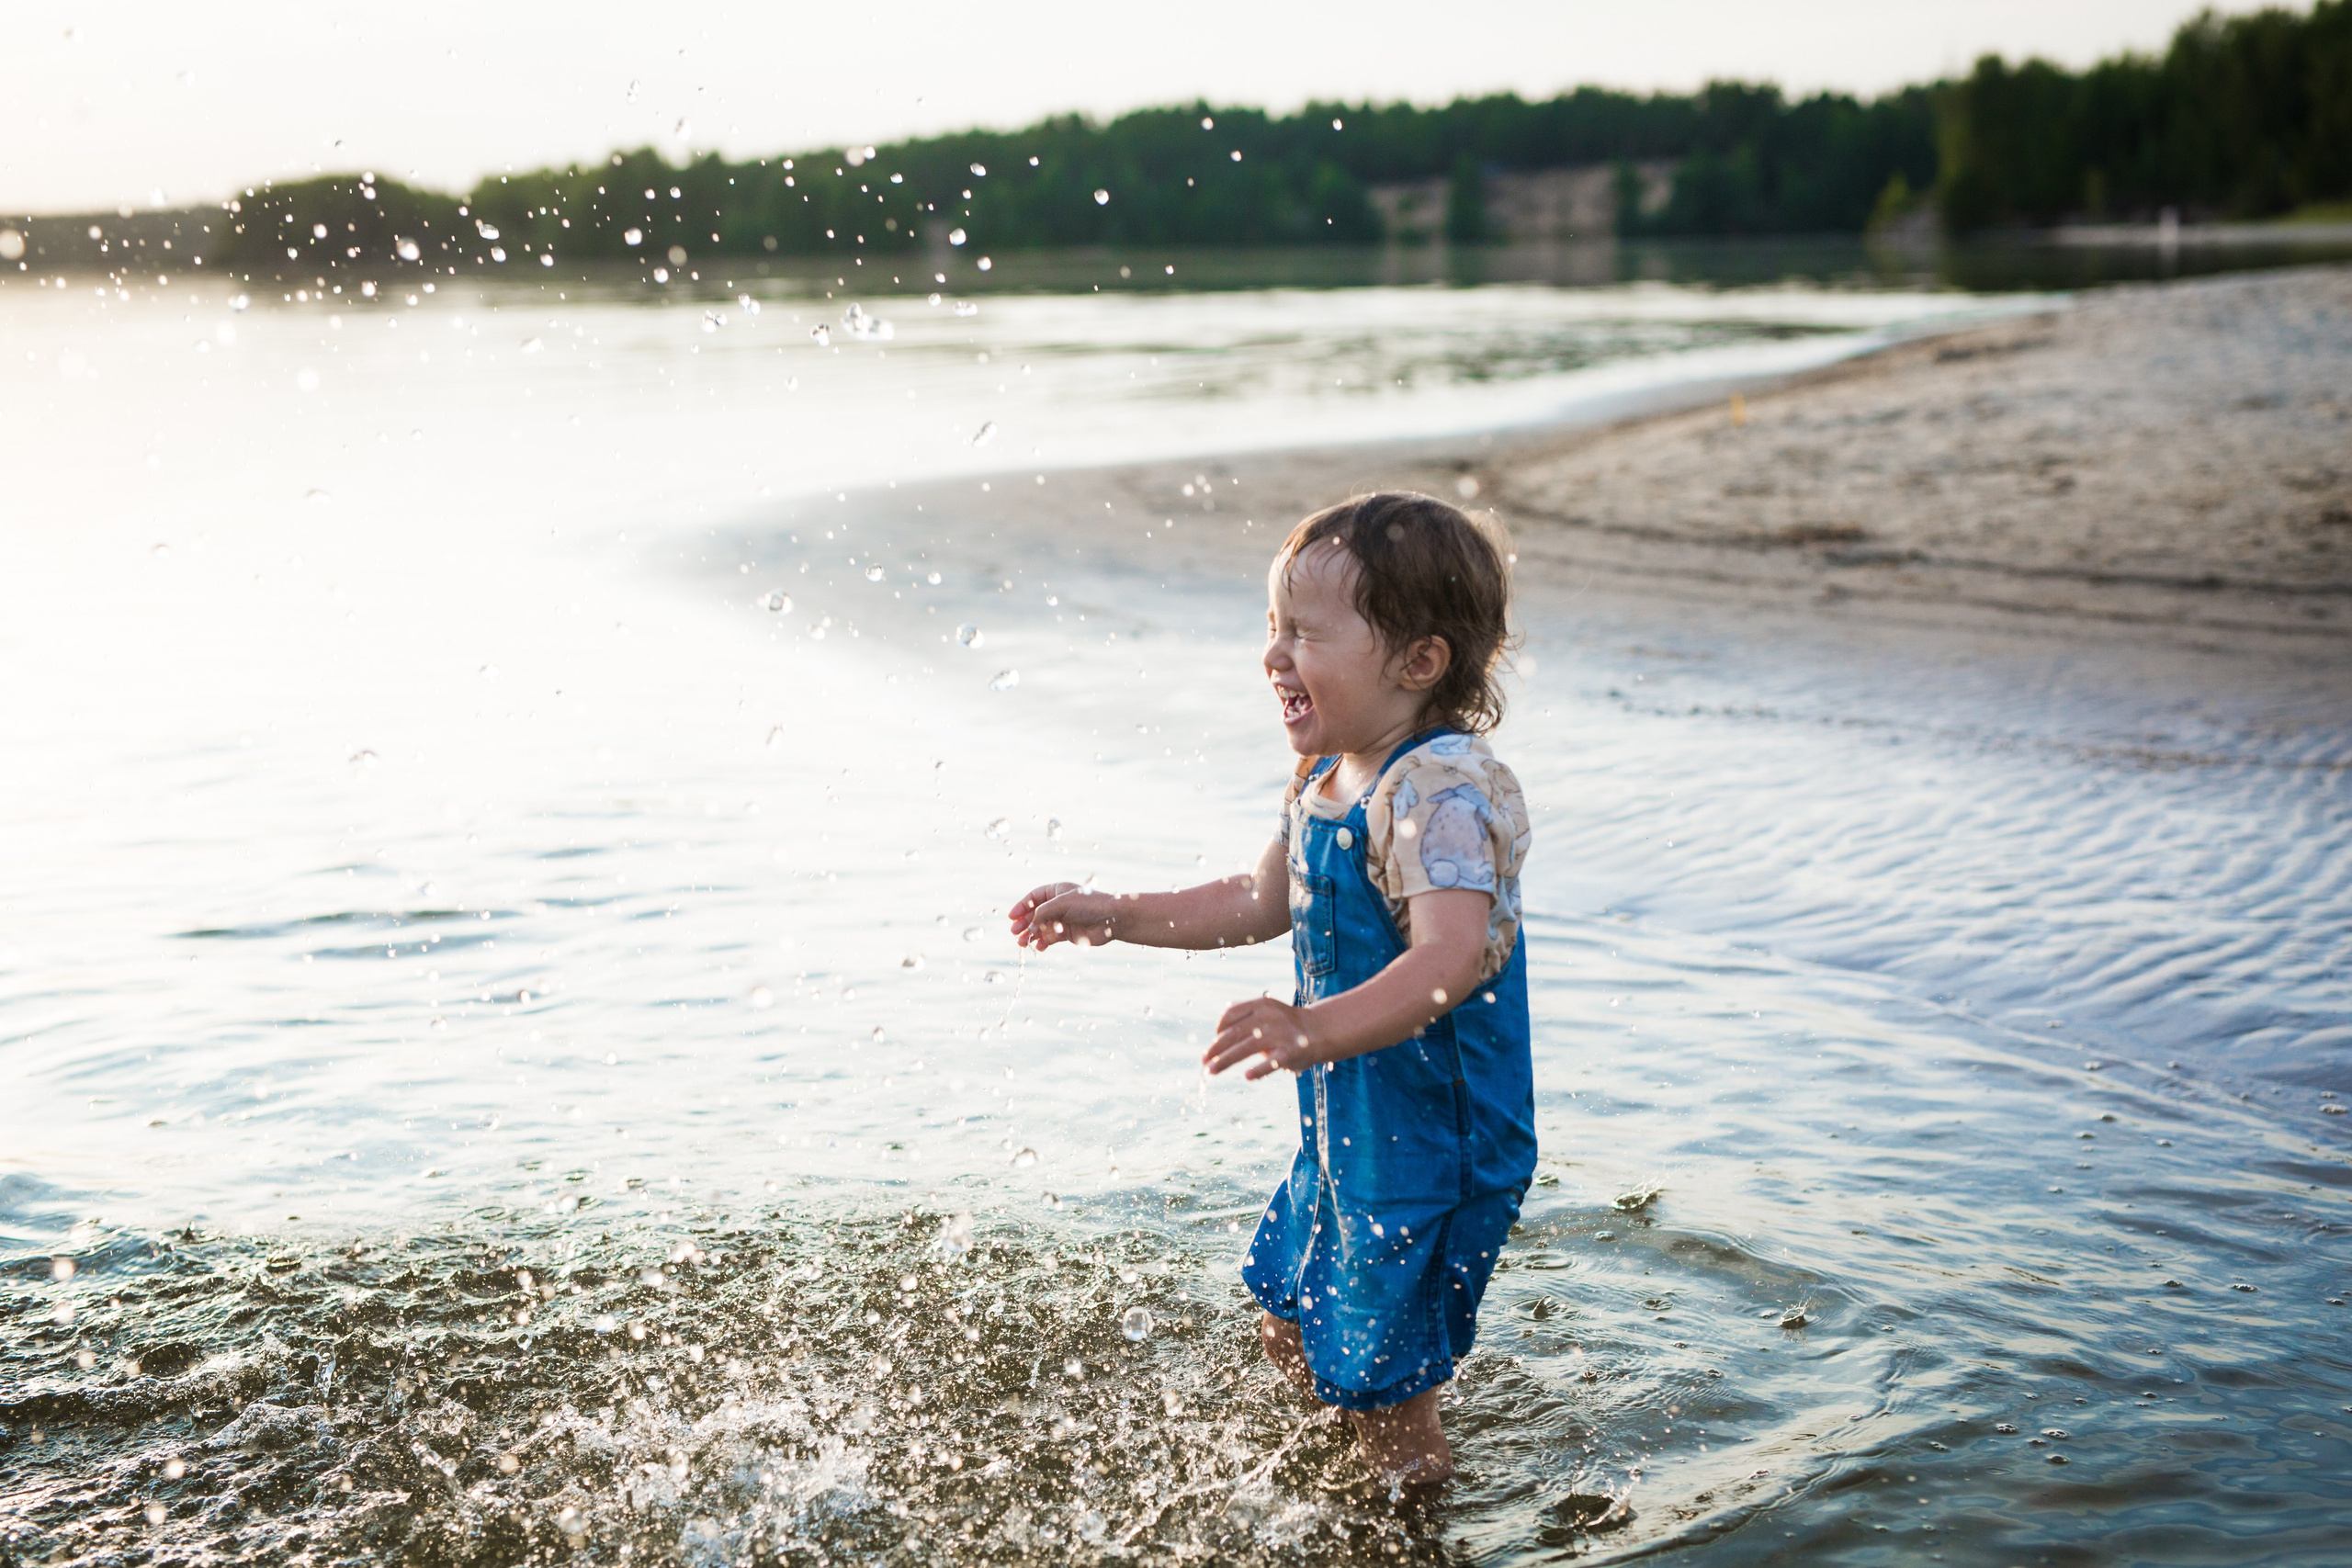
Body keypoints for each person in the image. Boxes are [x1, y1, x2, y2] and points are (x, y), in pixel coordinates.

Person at [1008, 491, 1535, 1484]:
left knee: (1388, 1409)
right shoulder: (1327, 772)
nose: (1272, 658)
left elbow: (1448, 958)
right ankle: (1325, 1480)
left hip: (1435, 1152)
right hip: (1349, 1138)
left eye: (1302, 634)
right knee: (1286, 1324)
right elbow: (1257, 898)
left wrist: (1310, 1028)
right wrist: (1114, 910)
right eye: (1270, 629)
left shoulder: (1441, 798)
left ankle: (1406, 1508)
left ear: (1418, 663)